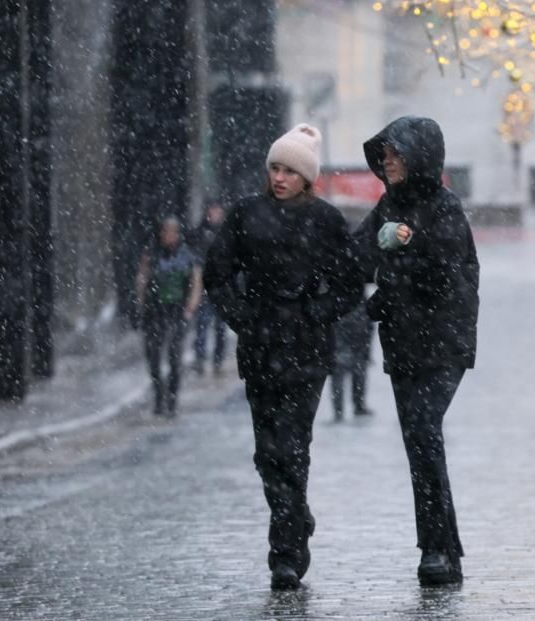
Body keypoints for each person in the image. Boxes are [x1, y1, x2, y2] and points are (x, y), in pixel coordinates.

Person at [203, 124, 362, 590]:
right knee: (267, 452)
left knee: (292, 448)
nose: (279, 177)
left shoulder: (327, 221)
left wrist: (316, 311)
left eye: (290, 171)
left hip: (307, 351)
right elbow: (217, 273)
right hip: (260, 348)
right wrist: (243, 317)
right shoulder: (246, 215)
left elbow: (350, 284)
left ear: (306, 177)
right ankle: (297, 515)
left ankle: (286, 554)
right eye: (275, 167)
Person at [355, 116, 480, 586]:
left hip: (443, 346)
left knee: (425, 432)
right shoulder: (387, 206)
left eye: (395, 151)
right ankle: (443, 550)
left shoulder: (445, 209)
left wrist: (391, 275)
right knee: (419, 444)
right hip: (403, 345)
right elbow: (356, 256)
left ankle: (435, 548)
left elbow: (442, 278)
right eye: (383, 152)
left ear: (418, 156)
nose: (386, 160)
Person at [135, 216, 203, 417]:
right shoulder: (152, 255)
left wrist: (189, 308)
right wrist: (142, 305)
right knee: (154, 358)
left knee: (174, 358)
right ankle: (159, 396)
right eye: (165, 232)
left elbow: (195, 283)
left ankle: (172, 399)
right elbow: (142, 281)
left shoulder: (187, 257)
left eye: (172, 232)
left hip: (176, 311)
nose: (168, 236)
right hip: (154, 312)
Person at [189, 200, 227, 376]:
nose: (214, 214)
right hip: (204, 287)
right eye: (212, 210)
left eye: (217, 210)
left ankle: (217, 360)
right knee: (202, 325)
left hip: (221, 288)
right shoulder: (199, 234)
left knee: (219, 328)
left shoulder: (227, 232)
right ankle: (200, 359)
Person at [330, 291, 374, 421]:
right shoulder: (359, 299)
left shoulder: (339, 297)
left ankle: (342, 410)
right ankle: (351, 408)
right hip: (350, 344)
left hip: (350, 344)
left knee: (345, 378)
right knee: (352, 376)